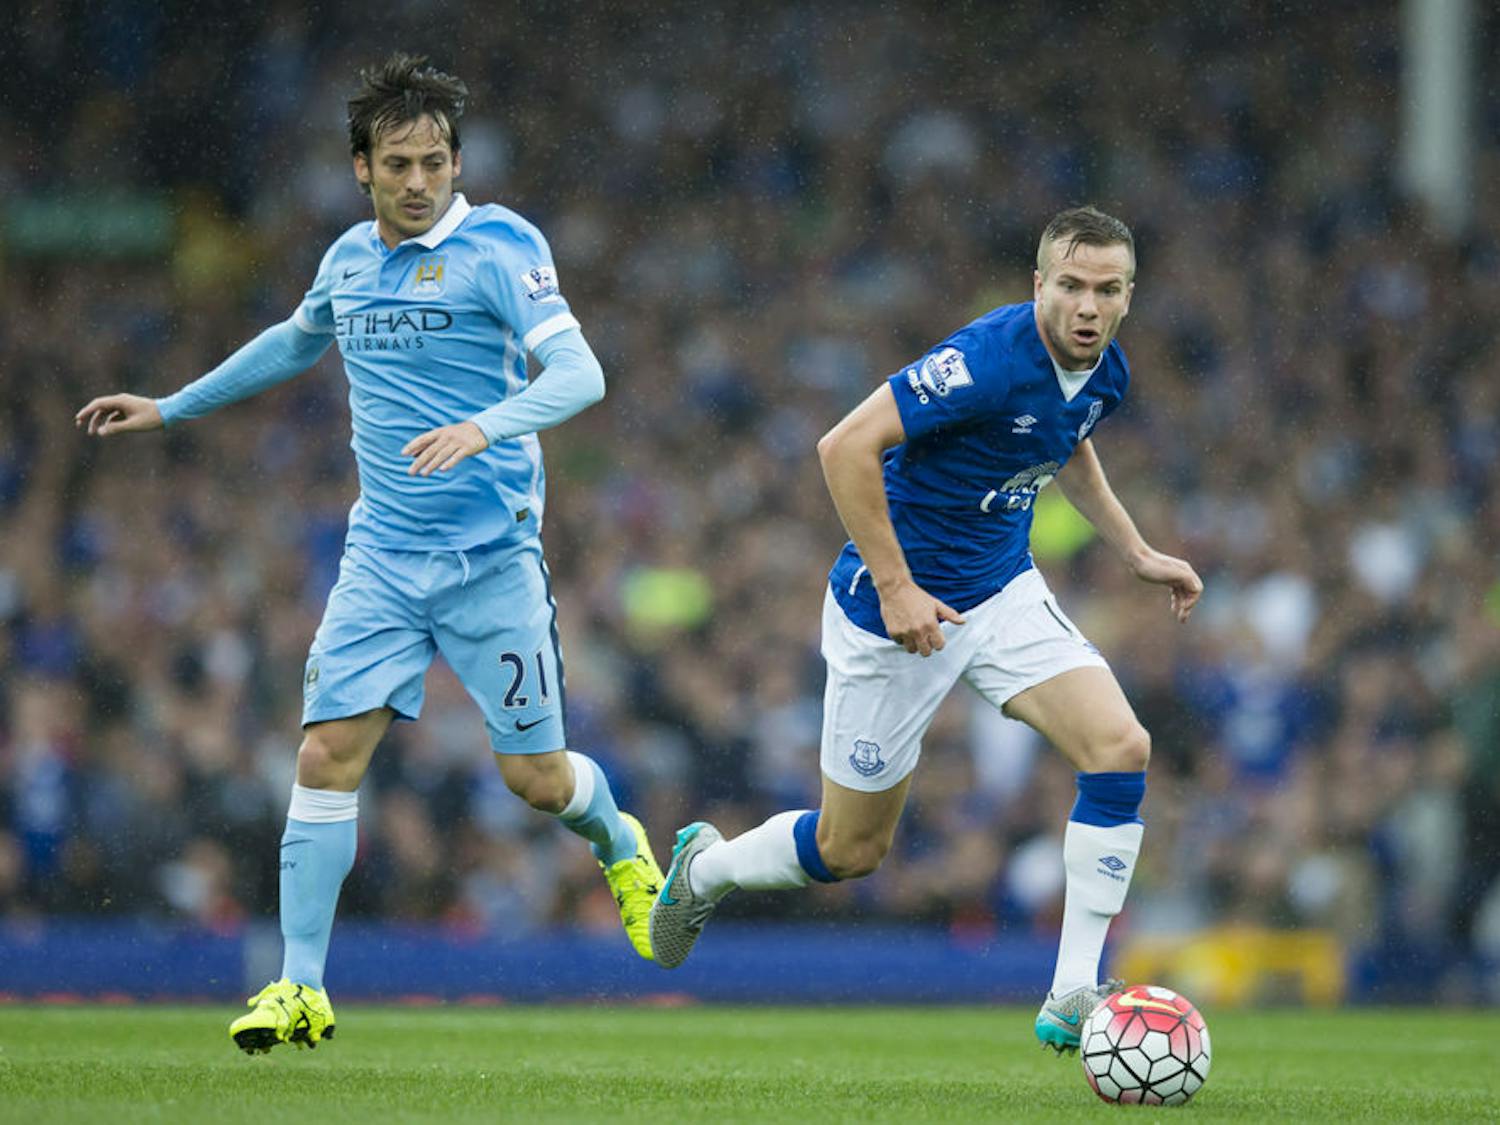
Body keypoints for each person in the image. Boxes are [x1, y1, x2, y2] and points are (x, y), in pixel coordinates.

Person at [76, 53, 663, 1054]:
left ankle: (622, 844)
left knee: (536, 781)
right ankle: (300, 987)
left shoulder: (501, 246)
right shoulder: (349, 261)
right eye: (398, 164)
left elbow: (582, 373)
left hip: (490, 562)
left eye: (435, 161)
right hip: (384, 561)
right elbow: (296, 340)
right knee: (324, 752)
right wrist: (172, 406)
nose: (420, 181)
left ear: (456, 161)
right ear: (361, 168)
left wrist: (487, 426)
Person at [648, 206, 1202, 1053]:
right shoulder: (986, 358)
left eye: (1108, 289)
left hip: (1001, 591)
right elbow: (844, 446)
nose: (1088, 306)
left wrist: (1133, 550)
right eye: (1072, 286)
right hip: (892, 616)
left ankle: (1072, 989)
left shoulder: (1107, 369)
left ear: (1130, 295)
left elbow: (1068, 441)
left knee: (1121, 746)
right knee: (849, 848)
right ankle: (706, 868)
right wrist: (898, 586)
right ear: (1039, 285)